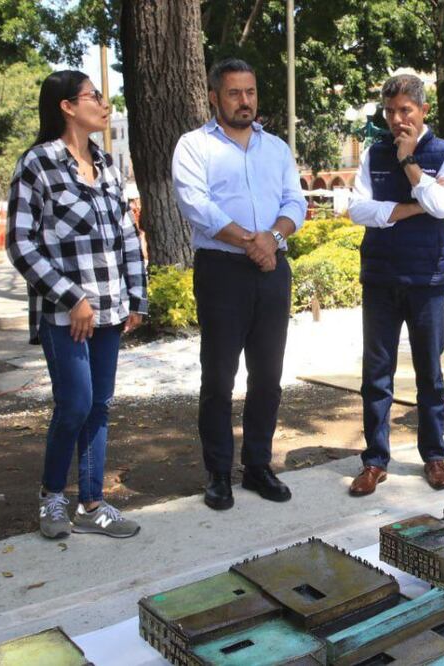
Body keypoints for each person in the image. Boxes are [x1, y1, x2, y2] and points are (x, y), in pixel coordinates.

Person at [6, 70, 147, 539]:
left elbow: (126, 236)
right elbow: (21, 245)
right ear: (67, 106)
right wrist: (72, 298)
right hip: (64, 315)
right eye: (95, 96)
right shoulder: (38, 164)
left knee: (99, 405)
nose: (105, 105)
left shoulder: (107, 166)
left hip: (108, 311)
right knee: (75, 404)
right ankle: (52, 499)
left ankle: (91, 504)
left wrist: (136, 297)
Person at [172, 58, 307, 510]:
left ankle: (258, 466)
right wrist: (252, 241)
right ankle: (218, 473)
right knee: (219, 377)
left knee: (268, 377)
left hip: (272, 272)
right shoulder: (193, 147)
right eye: (234, 93)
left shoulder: (278, 149)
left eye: (250, 92)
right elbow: (198, 207)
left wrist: (273, 238)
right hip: (222, 271)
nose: (244, 101)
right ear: (214, 97)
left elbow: (295, 203)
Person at [346, 74, 444, 496]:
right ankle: (375, 460)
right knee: (376, 375)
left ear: (423, 111)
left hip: (427, 280)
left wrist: (411, 161)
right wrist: (412, 208)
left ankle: (434, 456)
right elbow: (357, 209)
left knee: (429, 374)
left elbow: (442, 205)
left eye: (406, 111)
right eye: (391, 111)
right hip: (380, 278)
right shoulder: (373, 154)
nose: (397, 120)